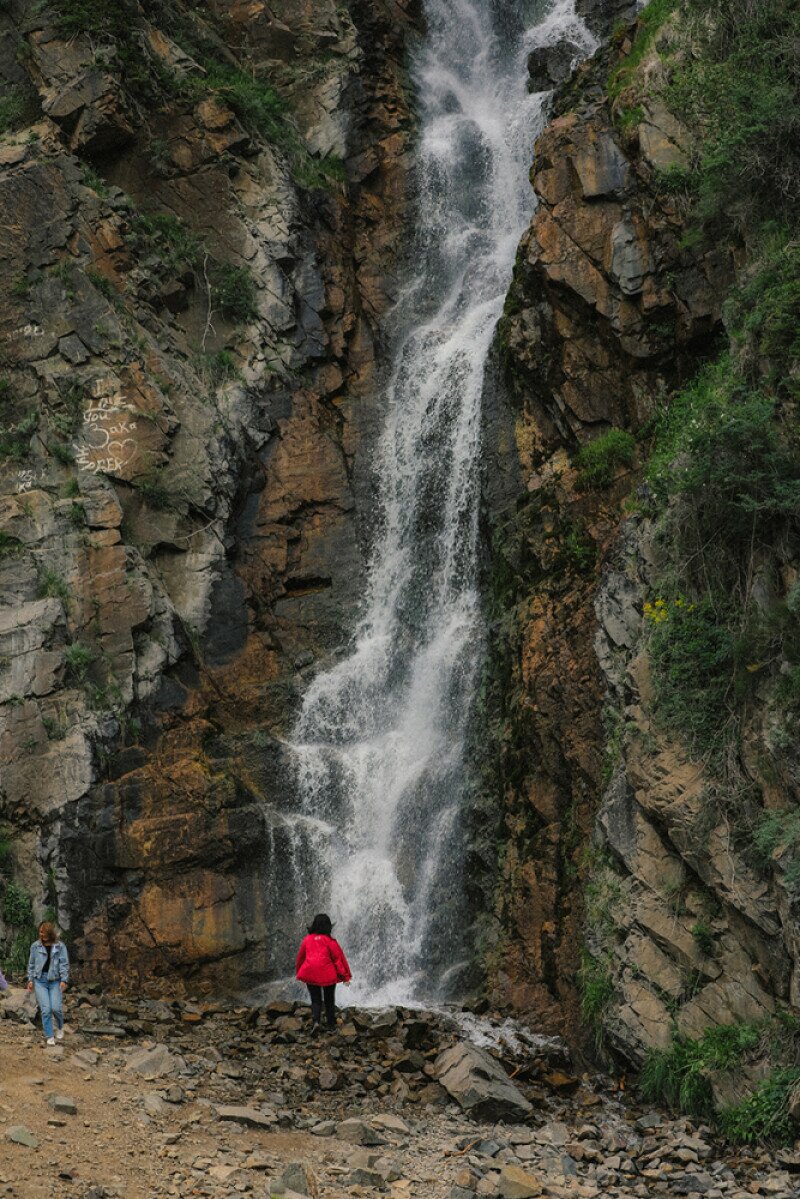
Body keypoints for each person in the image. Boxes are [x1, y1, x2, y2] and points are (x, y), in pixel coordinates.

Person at [295, 914, 351, 1032]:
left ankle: (316, 1022)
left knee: (315, 999)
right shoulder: (330, 941)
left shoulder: (307, 940)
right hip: (327, 973)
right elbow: (338, 960)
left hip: (310, 971)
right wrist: (345, 977)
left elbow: (300, 958)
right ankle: (331, 1025)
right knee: (329, 999)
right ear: (328, 927)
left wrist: (299, 973)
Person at [26, 921, 69, 1046]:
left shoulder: (60, 946)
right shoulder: (35, 946)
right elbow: (31, 964)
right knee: (46, 1010)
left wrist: (64, 980)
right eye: (40, 932)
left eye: (43, 932)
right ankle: (50, 1035)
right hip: (40, 981)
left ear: (49, 933)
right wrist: (30, 979)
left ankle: (60, 1027)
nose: (40, 934)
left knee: (56, 1008)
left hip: (55, 981)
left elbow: (64, 964)